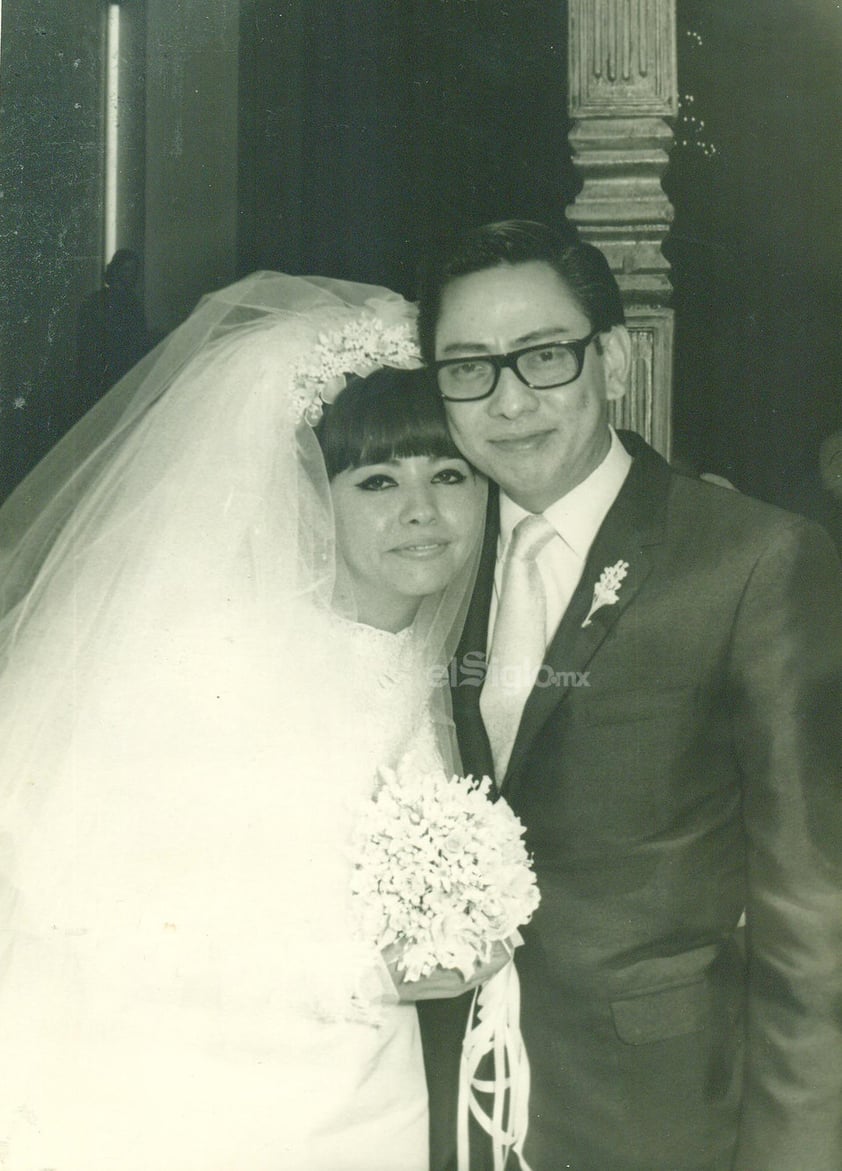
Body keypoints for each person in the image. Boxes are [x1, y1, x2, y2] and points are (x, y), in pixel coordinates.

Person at [0, 272, 510, 1170]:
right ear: (316, 498)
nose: (422, 512)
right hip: (237, 1109)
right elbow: (120, 916)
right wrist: (383, 965)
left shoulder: (430, 657)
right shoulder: (217, 658)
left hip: (375, 1094)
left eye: (450, 474)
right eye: (377, 480)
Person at [415, 220, 842, 1171]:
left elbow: (817, 924)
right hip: (448, 1109)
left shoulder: (752, 558)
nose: (509, 399)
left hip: (662, 1116)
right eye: (468, 367)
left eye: (545, 356)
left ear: (609, 355)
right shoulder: (430, 556)